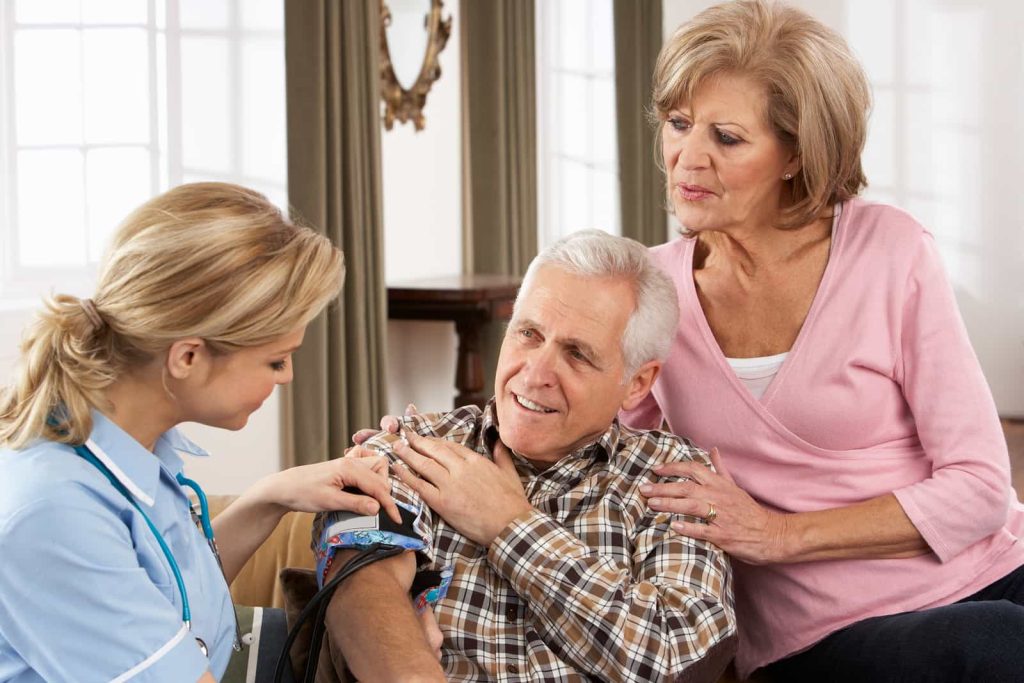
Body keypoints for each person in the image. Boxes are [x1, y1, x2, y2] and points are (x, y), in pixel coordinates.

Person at [620, 1, 1024, 681]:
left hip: (992, 572)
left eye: (726, 136)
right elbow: (595, 448)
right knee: (1002, 645)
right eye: (679, 124)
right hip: (818, 638)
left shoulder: (890, 252)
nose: (687, 159)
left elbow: (982, 487)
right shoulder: (649, 290)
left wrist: (778, 533)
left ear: (796, 155)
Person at [0, 182, 403, 683]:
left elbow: (179, 607)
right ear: (188, 356)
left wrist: (270, 497)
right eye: (276, 360)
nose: (287, 377)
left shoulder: (137, 446)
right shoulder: (57, 514)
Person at [315, 231, 737, 682]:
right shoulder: (413, 444)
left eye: (577, 354)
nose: (535, 374)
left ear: (637, 382)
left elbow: (677, 654)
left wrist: (511, 526)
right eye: (528, 334)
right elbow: (358, 586)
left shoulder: (674, 478)